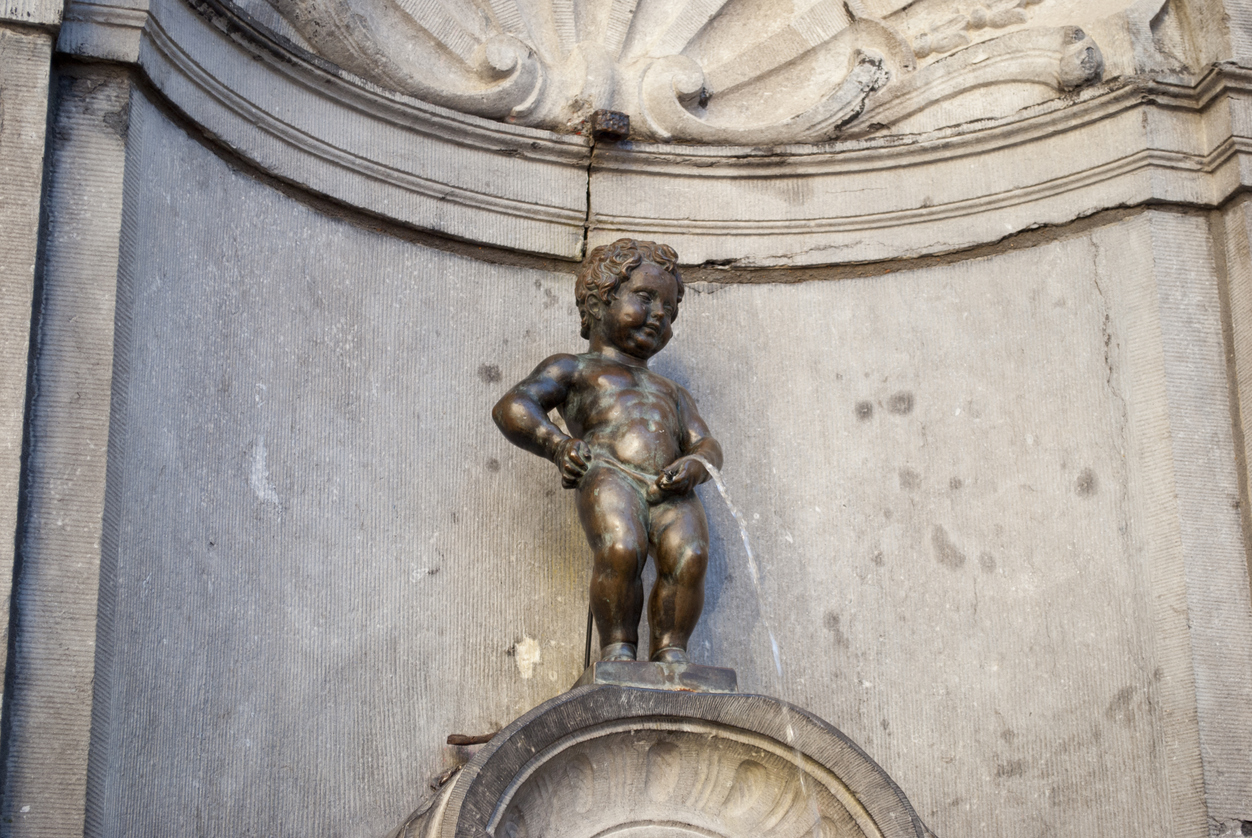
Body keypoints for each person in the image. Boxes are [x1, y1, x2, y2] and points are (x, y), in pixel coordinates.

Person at [492, 239, 723, 664]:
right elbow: (514, 406)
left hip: (672, 485)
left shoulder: (673, 392)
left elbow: (706, 444)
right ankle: (618, 649)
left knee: (691, 555)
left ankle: (672, 652)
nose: (659, 314)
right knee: (621, 548)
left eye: (669, 310)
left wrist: (694, 464)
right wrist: (558, 446)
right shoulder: (574, 368)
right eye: (645, 298)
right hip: (609, 471)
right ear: (600, 302)